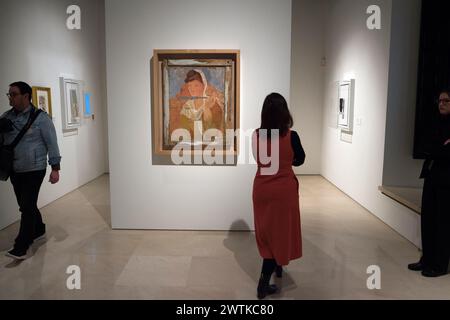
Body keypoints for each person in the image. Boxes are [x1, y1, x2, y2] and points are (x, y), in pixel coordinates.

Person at [252, 93, 306, 299]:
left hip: (261, 190)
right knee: (281, 235)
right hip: (283, 192)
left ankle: (278, 267)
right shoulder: (292, 136)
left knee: (266, 233)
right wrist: (285, 162)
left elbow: (259, 158)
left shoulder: (256, 135)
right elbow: (300, 160)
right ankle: (263, 284)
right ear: (285, 112)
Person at [0, 82, 61, 260]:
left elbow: (52, 144)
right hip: (14, 169)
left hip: (35, 168)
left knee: (26, 206)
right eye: (9, 94)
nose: (10, 97)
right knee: (26, 203)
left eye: (13, 94)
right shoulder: (6, 117)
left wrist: (55, 168)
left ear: (26, 96)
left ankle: (22, 245)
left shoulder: (41, 118)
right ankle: (39, 227)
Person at [408, 88, 450, 277]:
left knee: (442, 222)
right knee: (428, 220)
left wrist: (437, 149)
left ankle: (439, 265)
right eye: (440, 100)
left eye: (446, 101)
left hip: (447, 181)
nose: (441, 104)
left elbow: (441, 152)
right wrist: (439, 148)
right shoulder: (436, 124)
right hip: (432, 176)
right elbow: (427, 147)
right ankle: (427, 259)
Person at [169, 69, 224, 143]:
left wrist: (206, 109)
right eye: (190, 85)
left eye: (196, 85)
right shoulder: (187, 106)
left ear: (204, 85)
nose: (192, 89)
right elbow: (184, 130)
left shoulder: (213, 104)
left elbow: (214, 131)